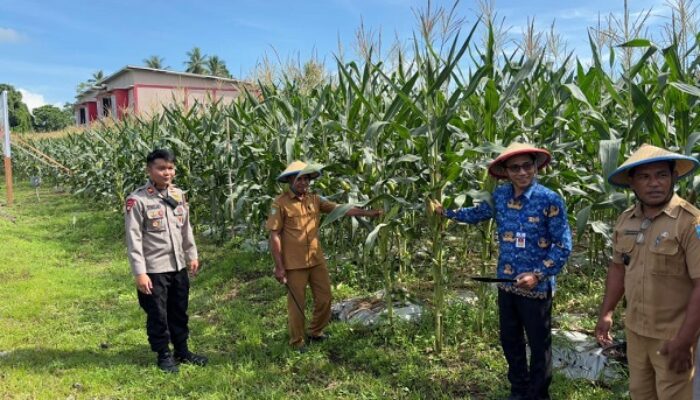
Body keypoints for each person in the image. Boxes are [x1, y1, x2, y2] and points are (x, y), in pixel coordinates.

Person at [434, 142, 572, 400]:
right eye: (515, 168)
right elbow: (477, 214)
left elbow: (563, 245)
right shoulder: (499, 196)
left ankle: (538, 395)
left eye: (527, 166)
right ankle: (518, 391)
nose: (522, 172)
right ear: (507, 171)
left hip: (536, 287)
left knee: (539, 345)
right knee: (511, 341)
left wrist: (538, 274)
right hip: (506, 283)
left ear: (535, 167)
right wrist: (446, 212)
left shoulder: (549, 199)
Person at [595, 144, 700, 399]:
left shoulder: (690, 222)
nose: (654, 183)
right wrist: (607, 312)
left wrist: (685, 340)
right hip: (636, 331)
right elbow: (619, 268)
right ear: (632, 183)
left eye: (662, 175)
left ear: (674, 177)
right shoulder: (626, 220)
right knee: (640, 393)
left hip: (674, 336)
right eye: (644, 176)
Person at [266, 161, 382, 352]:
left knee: (325, 298)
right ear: (289, 181)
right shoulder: (280, 203)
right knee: (297, 304)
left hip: (315, 259)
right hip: (294, 264)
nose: (303, 182)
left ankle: (315, 331)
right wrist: (279, 266)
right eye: (299, 179)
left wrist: (369, 213)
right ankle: (297, 342)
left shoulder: (315, 199)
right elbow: (274, 235)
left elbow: (342, 209)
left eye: (306, 178)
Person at [125, 149, 207, 373]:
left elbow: (185, 229)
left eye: (170, 168)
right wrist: (140, 273)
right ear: (149, 170)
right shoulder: (138, 200)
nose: (167, 172)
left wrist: (192, 255)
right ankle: (163, 354)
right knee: (158, 314)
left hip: (178, 266)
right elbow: (134, 239)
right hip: (154, 269)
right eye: (161, 168)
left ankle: (182, 351)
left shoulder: (178, 195)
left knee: (179, 310)